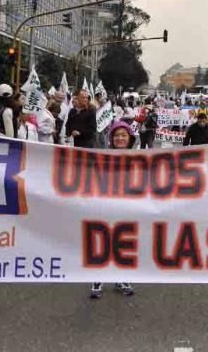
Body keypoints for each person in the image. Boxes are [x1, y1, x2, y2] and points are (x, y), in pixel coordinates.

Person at [89, 121, 137, 299]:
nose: (120, 138)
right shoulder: (104, 157)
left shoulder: (140, 158)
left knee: (123, 244)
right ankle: (97, 279)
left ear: (130, 138)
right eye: (116, 135)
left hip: (127, 208)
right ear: (111, 139)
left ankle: (121, 278)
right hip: (105, 207)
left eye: (124, 135)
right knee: (101, 242)